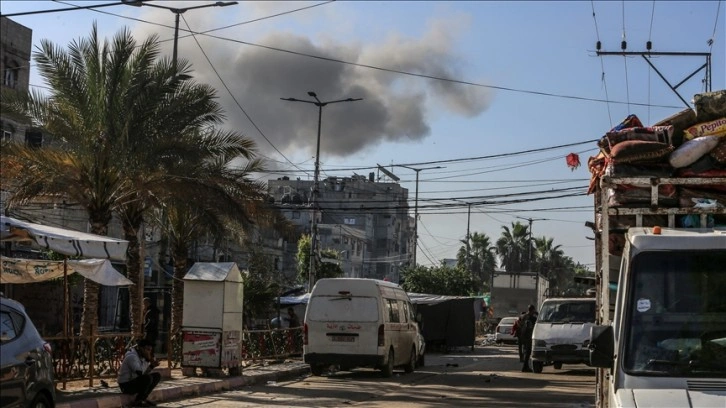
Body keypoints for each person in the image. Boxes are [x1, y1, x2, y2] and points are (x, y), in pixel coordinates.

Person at [118, 339, 161, 406]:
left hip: (134, 381)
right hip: (125, 385)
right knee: (147, 378)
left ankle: (143, 399)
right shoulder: (132, 356)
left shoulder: (142, 357)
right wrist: (148, 360)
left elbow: (144, 373)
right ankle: (138, 401)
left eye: (150, 350)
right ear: (141, 348)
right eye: (148, 349)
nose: (149, 352)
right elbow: (140, 373)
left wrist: (152, 365)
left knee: (157, 376)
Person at [521, 304, 538, 372]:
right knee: (528, 352)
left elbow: (520, 324)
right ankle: (525, 367)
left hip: (523, 336)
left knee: (526, 352)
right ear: (532, 310)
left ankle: (526, 366)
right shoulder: (532, 318)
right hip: (529, 336)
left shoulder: (523, 316)